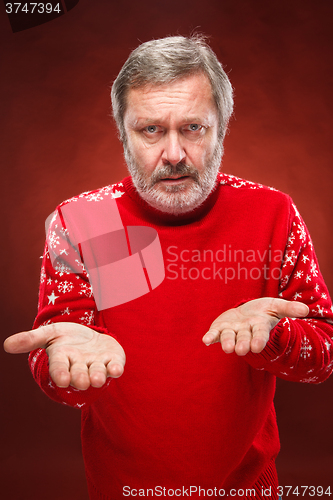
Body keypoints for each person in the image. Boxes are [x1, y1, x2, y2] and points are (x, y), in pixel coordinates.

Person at [4, 35, 333, 500]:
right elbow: (59, 361)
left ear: (222, 127)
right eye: (151, 130)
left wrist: (276, 335)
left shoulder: (273, 213)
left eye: (193, 128)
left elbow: (324, 356)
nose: (174, 154)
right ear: (124, 133)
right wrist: (65, 370)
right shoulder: (82, 221)